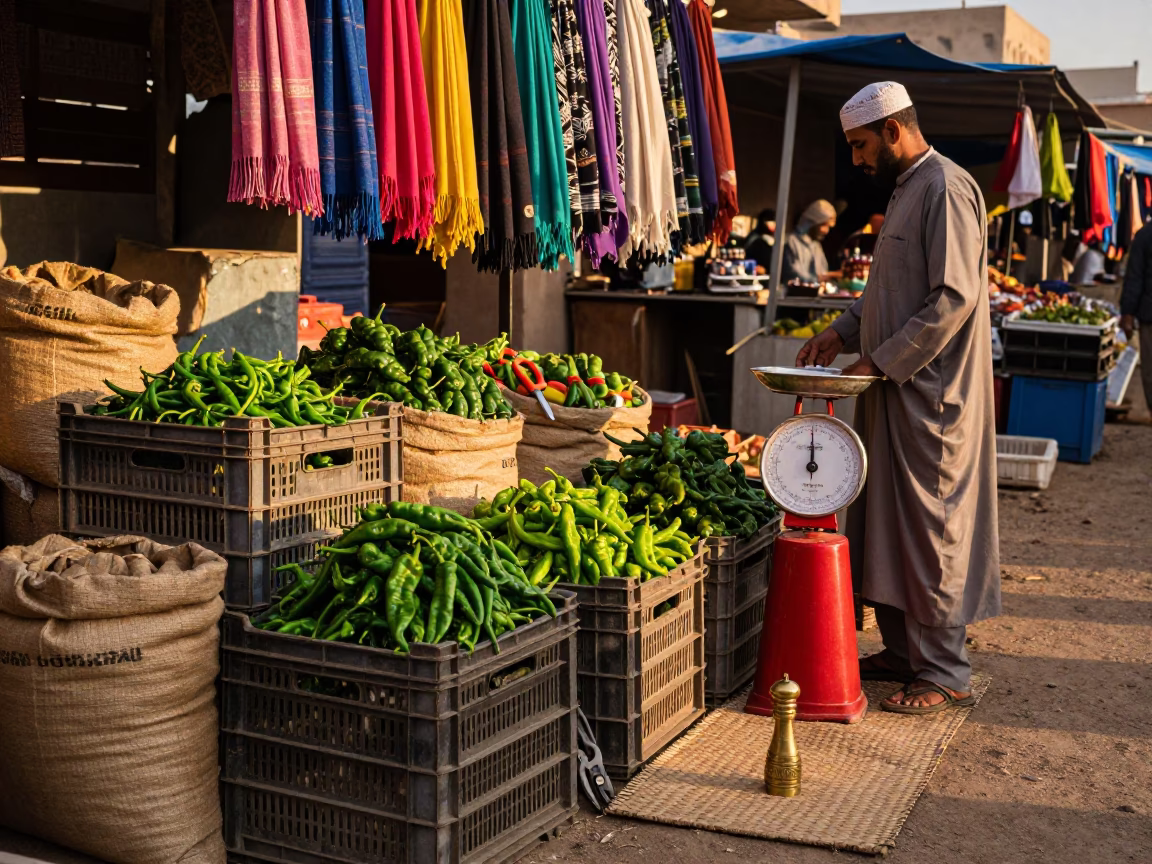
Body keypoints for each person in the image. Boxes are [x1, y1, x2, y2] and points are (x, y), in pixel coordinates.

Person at [796, 81, 1000, 715]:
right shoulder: (906, 190)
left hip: (932, 398)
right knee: (884, 520)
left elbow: (952, 298)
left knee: (931, 528)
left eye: (860, 146)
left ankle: (944, 669)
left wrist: (878, 361)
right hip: (890, 390)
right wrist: (840, 330)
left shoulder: (945, 187)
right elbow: (885, 292)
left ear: (892, 131)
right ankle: (902, 652)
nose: (855, 160)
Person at [1121, 220, 1152, 415]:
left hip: (1149, 314)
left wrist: (1128, 314)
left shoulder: (1144, 235)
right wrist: (1128, 312)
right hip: (1149, 314)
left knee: (1150, 370)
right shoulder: (1144, 236)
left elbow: (1134, 277)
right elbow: (1135, 278)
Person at [782, 199, 841, 283]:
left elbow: (822, 271)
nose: (826, 231)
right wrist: (822, 278)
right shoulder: (791, 242)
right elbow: (795, 275)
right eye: (823, 225)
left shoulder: (816, 245)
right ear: (812, 222)